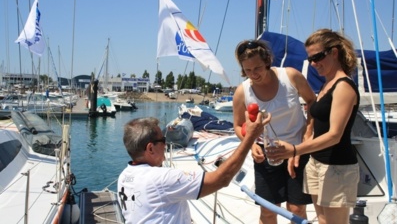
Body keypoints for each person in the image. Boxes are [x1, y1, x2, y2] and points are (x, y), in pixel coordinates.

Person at [267, 29, 360, 224]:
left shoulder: (343, 86)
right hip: (317, 164)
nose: (314, 64)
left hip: (337, 167)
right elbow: (316, 125)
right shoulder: (327, 85)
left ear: (334, 52)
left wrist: (294, 150)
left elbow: (334, 135)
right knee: (323, 221)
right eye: (310, 59)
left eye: (317, 57)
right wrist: (300, 153)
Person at [117, 111, 271, 224]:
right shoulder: (161, 178)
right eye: (163, 139)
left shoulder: (124, 176)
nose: (166, 144)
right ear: (150, 149)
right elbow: (221, 179)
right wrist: (250, 138)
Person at [233, 39, 316, 224]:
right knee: (269, 210)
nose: (253, 74)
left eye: (257, 68)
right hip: (266, 153)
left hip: (297, 150)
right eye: (247, 70)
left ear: (268, 61)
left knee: (296, 209)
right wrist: (251, 145)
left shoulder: (291, 76)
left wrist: (307, 134)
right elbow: (238, 126)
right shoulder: (242, 92)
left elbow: (312, 102)